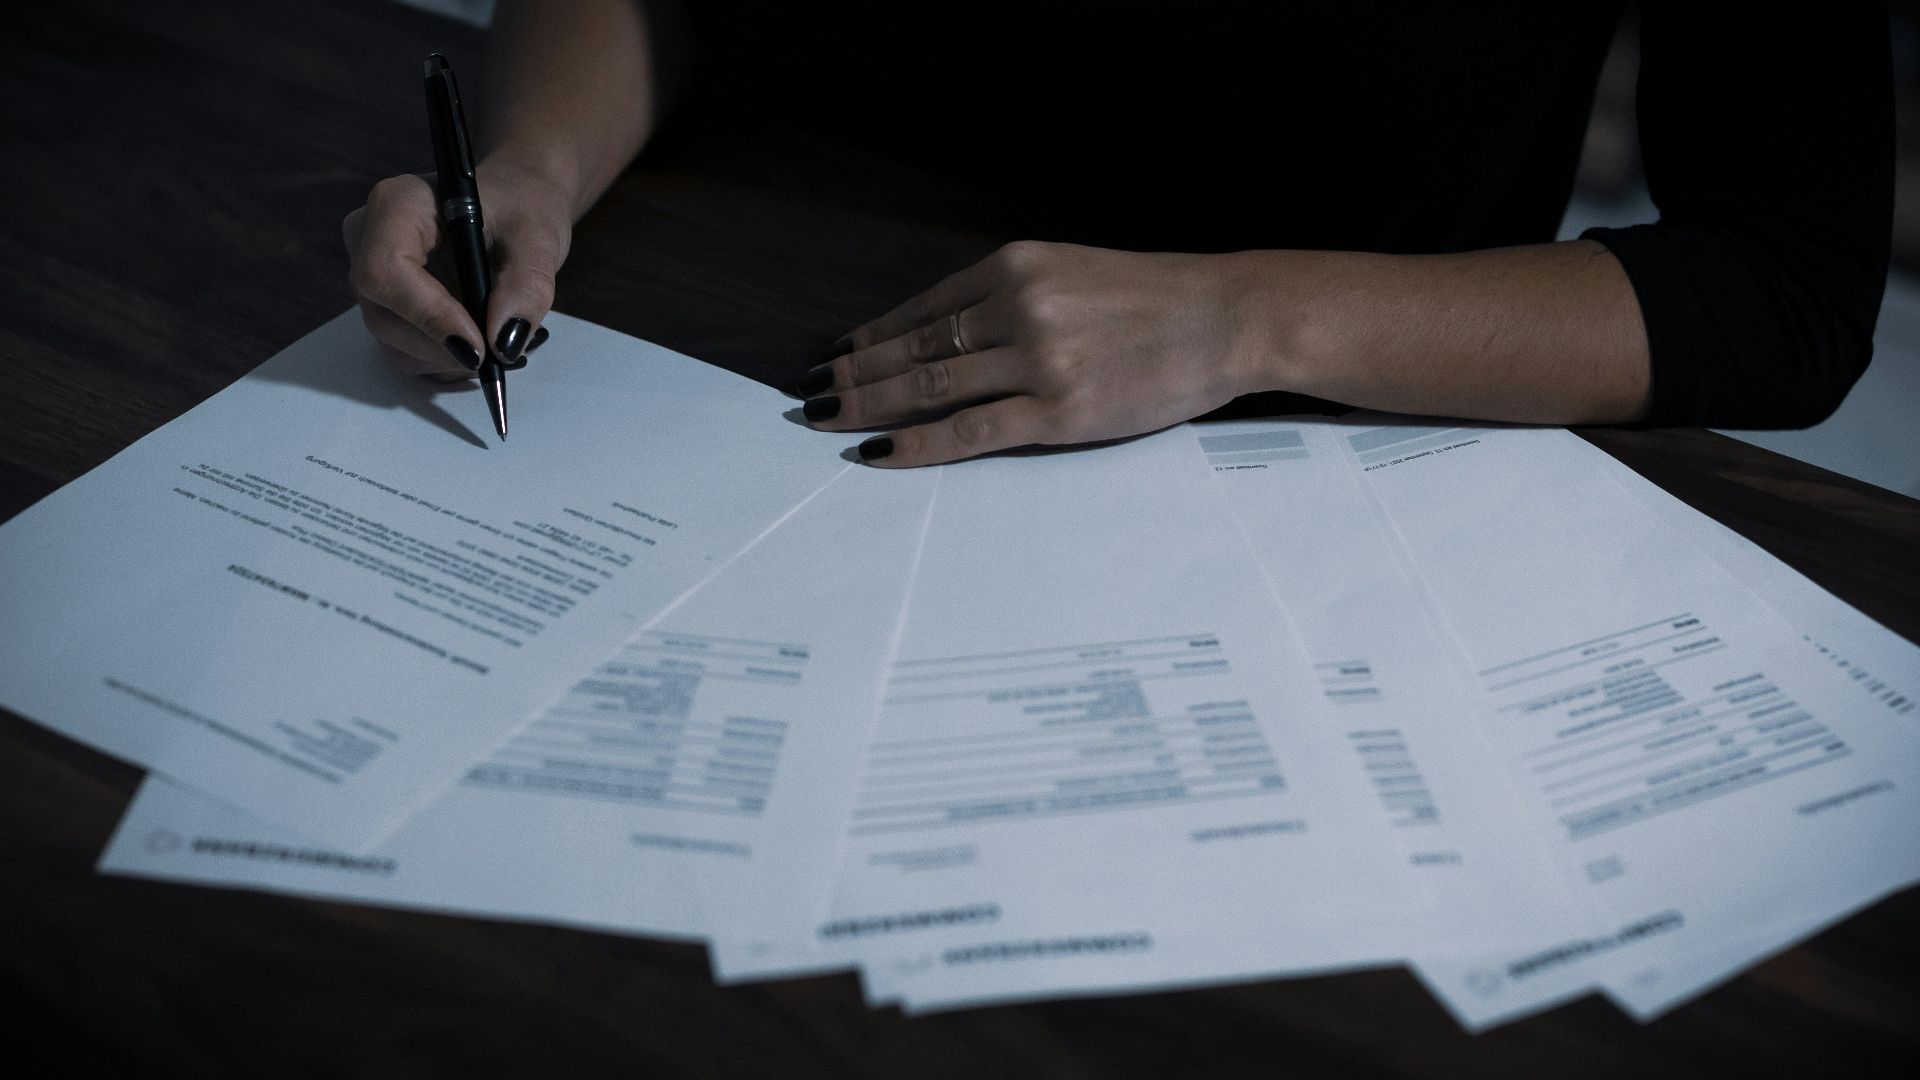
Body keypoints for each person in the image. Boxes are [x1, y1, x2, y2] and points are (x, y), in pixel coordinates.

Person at [343, 1, 1893, 468]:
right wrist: (534, 164)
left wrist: (1243, 319)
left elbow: (1790, 284)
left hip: (1319, 451)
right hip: (731, 327)